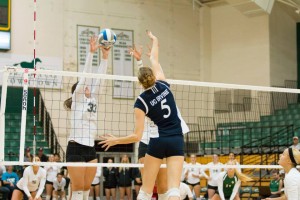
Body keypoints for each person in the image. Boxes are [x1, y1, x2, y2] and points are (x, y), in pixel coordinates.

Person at [100, 30, 189, 200]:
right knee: (174, 190)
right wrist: (155, 40)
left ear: (140, 83)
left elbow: (137, 135)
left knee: (145, 191)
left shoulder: (141, 101)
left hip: (157, 140)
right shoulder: (164, 85)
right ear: (153, 77)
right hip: (176, 139)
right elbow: (155, 60)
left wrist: (115, 140)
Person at [64, 36, 111, 200]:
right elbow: (84, 76)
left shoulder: (93, 98)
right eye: (84, 86)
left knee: (85, 189)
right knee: (77, 190)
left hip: (90, 148)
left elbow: (101, 79)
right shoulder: (77, 100)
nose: (88, 86)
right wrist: (91, 53)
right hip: (75, 147)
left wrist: (105, 57)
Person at [128, 44, 168, 199]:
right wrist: (141, 61)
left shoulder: (162, 91)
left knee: (163, 185)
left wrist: (148, 60)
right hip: (146, 142)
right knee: (147, 185)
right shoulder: (145, 96)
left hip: (160, 140)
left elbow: (154, 77)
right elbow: (146, 81)